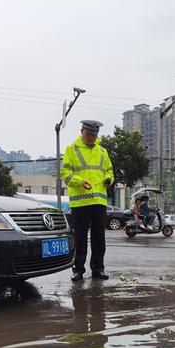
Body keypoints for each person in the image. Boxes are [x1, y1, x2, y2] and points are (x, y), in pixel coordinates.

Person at [60, 120, 114, 281]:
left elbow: (109, 171)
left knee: (99, 238)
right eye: (89, 134)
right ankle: (78, 270)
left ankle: (98, 269)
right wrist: (79, 181)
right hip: (80, 202)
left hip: (99, 201)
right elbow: (65, 172)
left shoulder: (103, 151)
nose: (91, 137)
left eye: (94, 134)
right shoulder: (72, 149)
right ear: (81, 131)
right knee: (80, 238)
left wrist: (108, 179)